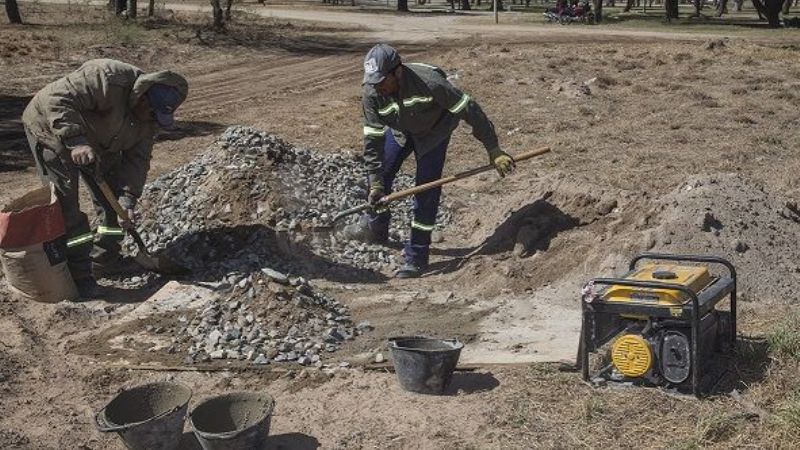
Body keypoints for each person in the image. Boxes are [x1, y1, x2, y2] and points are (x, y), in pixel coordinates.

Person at [22, 59, 188, 298]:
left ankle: (104, 260)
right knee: (68, 208)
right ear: (142, 98)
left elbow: (137, 162)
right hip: (51, 127)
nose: (153, 119)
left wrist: (128, 199)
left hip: (99, 142)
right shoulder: (108, 78)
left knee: (114, 207)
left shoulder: (149, 123)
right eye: (152, 112)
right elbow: (57, 100)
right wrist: (76, 141)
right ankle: (79, 275)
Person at [351, 43, 514, 279]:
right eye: (373, 82)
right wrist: (375, 183)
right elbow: (372, 144)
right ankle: (376, 227)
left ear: (397, 71)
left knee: (426, 191)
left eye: (381, 81)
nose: (377, 87)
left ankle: (417, 257)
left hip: (433, 133)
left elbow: (470, 109)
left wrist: (494, 149)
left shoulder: (431, 83)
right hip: (401, 131)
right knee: (381, 176)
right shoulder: (372, 94)